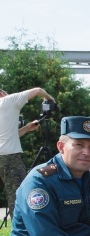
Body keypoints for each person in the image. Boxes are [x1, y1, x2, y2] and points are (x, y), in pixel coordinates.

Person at [0, 87, 56, 219]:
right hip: (9, 158)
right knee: (17, 196)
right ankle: (20, 233)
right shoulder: (8, 101)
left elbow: (7, 136)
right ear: (2, 93)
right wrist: (49, 98)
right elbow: (38, 90)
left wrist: (26, 128)